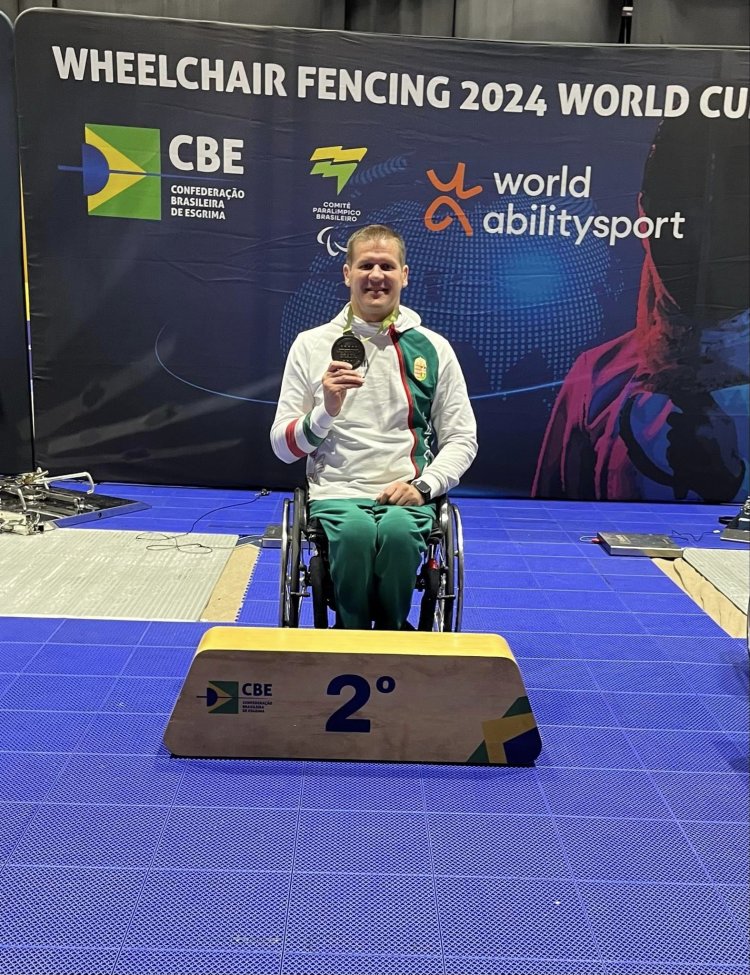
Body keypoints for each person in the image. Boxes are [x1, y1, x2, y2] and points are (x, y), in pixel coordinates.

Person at [532, 99, 748, 502]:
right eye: (680, 207)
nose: (699, 232)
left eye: (730, 211)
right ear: (645, 210)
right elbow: (548, 517)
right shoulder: (597, 377)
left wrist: (732, 477)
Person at [271, 224, 477, 629]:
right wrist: (327, 410)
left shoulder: (434, 348)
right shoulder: (311, 345)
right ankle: (351, 633)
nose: (376, 275)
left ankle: (391, 634)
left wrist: (424, 487)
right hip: (337, 491)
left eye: (387, 266)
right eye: (366, 265)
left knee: (399, 536)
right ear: (347, 273)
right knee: (354, 535)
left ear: (405, 274)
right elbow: (282, 446)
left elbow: (461, 438)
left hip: (406, 492)